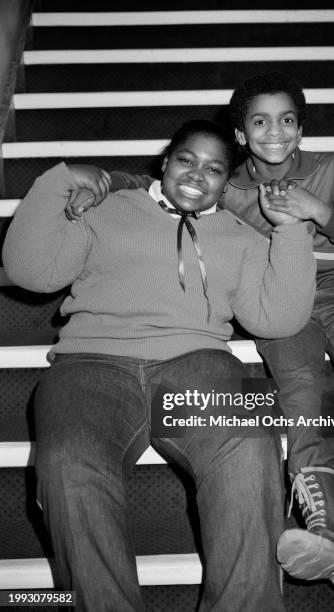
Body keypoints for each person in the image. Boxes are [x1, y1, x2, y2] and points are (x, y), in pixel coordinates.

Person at [75, 73, 334, 591]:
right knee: (301, 393)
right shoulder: (226, 183)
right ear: (242, 135)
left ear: (301, 128)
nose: (276, 132)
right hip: (274, 296)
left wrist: (319, 212)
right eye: (260, 122)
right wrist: (106, 181)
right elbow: (162, 183)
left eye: (288, 120)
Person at [3, 120, 316, 612]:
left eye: (214, 169)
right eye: (187, 160)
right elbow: (30, 272)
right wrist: (59, 180)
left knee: (249, 450)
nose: (197, 174)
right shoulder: (106, 208)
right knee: (69, 465)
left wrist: (293, 230)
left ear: (226, 182)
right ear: (165, 160)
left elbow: (279, 319)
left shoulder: (240, 236)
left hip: (200, 363)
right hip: (90, 361)